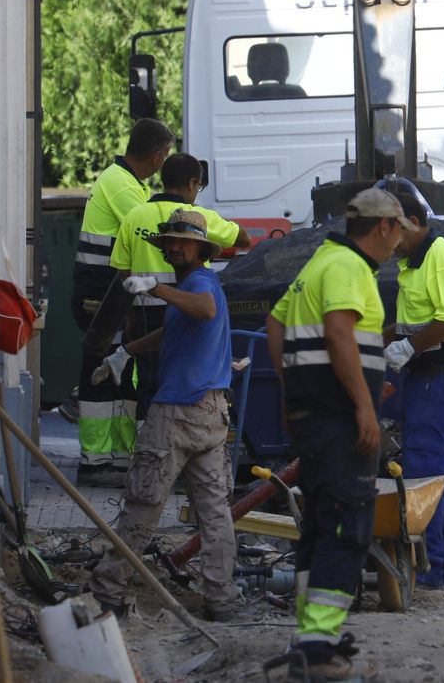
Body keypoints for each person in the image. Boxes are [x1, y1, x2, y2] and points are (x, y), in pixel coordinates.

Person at [265, 188, 416, 680]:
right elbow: (337, 332)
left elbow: (274, 324)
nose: (398, 245)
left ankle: (311, 637)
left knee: (319, 525)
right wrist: (364, 406)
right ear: (383, 228)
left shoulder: (318, 263)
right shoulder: (349, 269)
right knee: (347, 526)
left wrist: (293, 395)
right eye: (398, 232)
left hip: (314, 416)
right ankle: (316, 649)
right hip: (339, 421)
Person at [88, 210, 246, 620]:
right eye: (169, 242)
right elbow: (177, 327)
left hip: (178, 413)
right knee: (214, 514)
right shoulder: (191, 287)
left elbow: (204, 309)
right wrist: (128, 351)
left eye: (183, 241)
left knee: (144, 502)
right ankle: (222, 598)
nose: (174, 247)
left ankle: (107, 589)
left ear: (200, 248)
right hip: (210, 416)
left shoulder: (200, 283)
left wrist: (155, 288)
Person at [105, 153, 251, 423]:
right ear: (193, 183)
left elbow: (123, 273)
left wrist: (131, 319)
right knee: (183, 379)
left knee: (149, 384)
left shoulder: (134, 216)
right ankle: (167, 441)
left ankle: (149, 440)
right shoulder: (199, 217)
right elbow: (244, 239)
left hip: (145, 316)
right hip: (189, 312)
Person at [71, 117, 174, 486]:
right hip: (102, 296)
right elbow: (151, 230)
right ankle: (97, 461)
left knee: (116, 373)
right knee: (103, 374)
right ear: (159, 156)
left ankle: (111, 458)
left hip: (109, 295)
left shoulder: (123, 181)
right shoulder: (123, 186)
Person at [384, 190, 444, 592]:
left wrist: (407, 347)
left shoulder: (440, 255)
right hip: (430, 377)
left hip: (441, 377)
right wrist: (379, 336)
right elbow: (415, 322)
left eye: (394, 230)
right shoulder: (414, 263)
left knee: (423, 473)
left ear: (415, 221)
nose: (390, 241)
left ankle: (432, 571)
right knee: (435, 474)